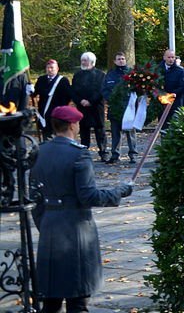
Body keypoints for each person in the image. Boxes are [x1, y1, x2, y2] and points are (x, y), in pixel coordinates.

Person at [31, 105, 132, 313]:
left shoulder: (39, 152)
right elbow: (89, 196)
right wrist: (119, 191)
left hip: (49, 225)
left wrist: (44, 222)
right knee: (77, 298)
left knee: (51, 299)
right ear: (72, 125)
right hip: (75, 229)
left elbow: (34, 197)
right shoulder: (79, 155)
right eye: (77, 124)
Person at [72, 52, 107, 162]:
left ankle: (103, 152)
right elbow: (73, 91)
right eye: (82, 60)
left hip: (96, 107)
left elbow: (101, 90)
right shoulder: (77, 75)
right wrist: (80, 100)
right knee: (84, 131)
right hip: (82, 107)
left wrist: (90, 101)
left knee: (100, 130)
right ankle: (84, 152)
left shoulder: (101, 75)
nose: (83, 62)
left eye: (85, 60)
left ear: (92, 62)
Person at [103, 52, 135, 164]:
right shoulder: (110, 75)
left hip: (128, 107)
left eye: (122, 59)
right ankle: (115, 155)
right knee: (115, 132)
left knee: (130, 132)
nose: (121, 61)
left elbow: (137, 90)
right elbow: (105, 90)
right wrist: (110, 99)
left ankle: (133, 154)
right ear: (115, 61)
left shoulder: (131, 74)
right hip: (115, 107)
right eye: (119, 59)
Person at [33, 60, 72, 139]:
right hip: (44, 112)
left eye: (52, 68)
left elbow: (68, 96)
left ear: (57, 69)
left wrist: (62, 108)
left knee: (58, 134)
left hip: (57, 113)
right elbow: (35, 93)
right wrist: (30, 90)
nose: (49, 69)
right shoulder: (41, 79)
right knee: (46, 135)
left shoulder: (63, 81)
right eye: (48, 68)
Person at [161, 49, 184, 123]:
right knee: (163, 122)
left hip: (176, 100)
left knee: (175, 121)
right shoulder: (158, 69)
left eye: (173, 57)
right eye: (169, 57)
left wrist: (172, 94)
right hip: (161, 99)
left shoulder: (180, 70)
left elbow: (182, 86)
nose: (171, 59)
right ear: (164, 58)